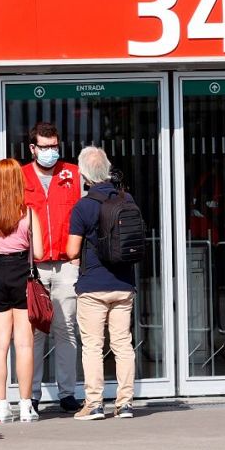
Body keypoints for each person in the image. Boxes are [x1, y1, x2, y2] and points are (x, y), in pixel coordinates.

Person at [67, 147, 138, 421]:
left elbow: (72, 250)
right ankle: (125, 403)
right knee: (123, 344)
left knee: (93, 346)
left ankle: (94, 404)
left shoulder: (83, 206)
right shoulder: (126, 198)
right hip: (123, 283)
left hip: (93, 285)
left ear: (83, 173)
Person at [0, 158, 44, 424]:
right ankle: (26, 405)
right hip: (22, 275)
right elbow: (36, 252)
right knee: (24, 344)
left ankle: (1, 406)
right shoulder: (27, 212)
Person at [22, 121, 84, 414]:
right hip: (33, 267)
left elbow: (84, 217)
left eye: (54, 146)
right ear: (32, 148)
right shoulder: (20, 177)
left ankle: (67, 393)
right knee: (34, 330)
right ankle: (30, 394)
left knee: (66, 328)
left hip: (65, 263)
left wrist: (79, 255)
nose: (50, 152)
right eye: (44, 147)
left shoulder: (72, 173)